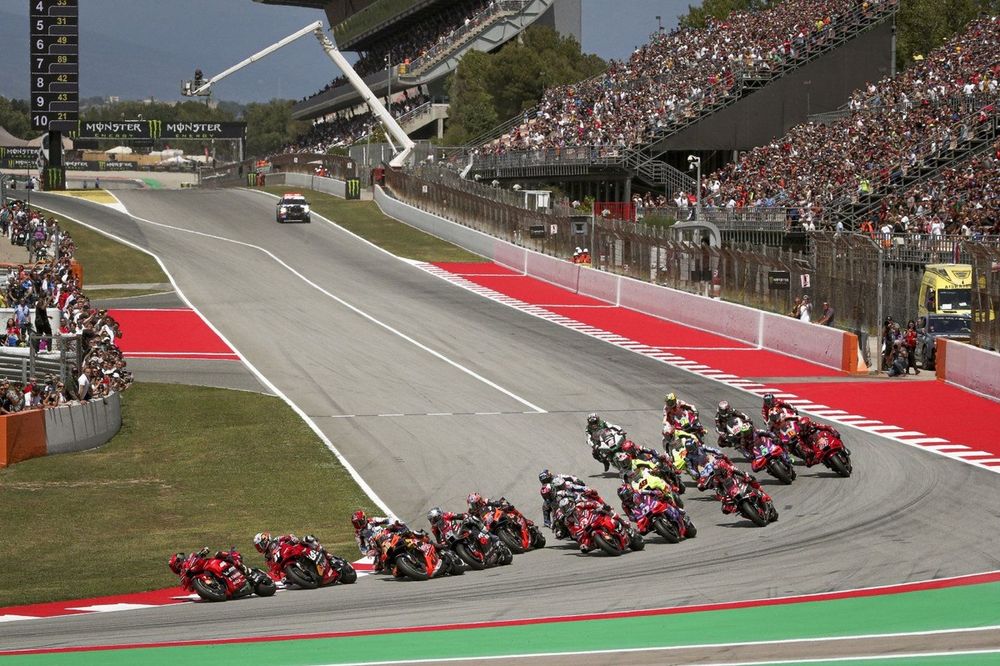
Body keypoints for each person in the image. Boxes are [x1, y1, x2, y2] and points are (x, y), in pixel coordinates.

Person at [704, 458, 776, 519]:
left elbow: (740, 472)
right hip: (731, 493)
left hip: (740, 484)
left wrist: (746, 476)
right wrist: (722, 496)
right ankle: (746, 513)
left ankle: (764, 496)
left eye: (719, 470)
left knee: (752, 479)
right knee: (725, 510)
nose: (718, 473)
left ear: (723, 467)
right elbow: (717, 490)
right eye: (716, 471)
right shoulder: (716, 479)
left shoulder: (730, 468)